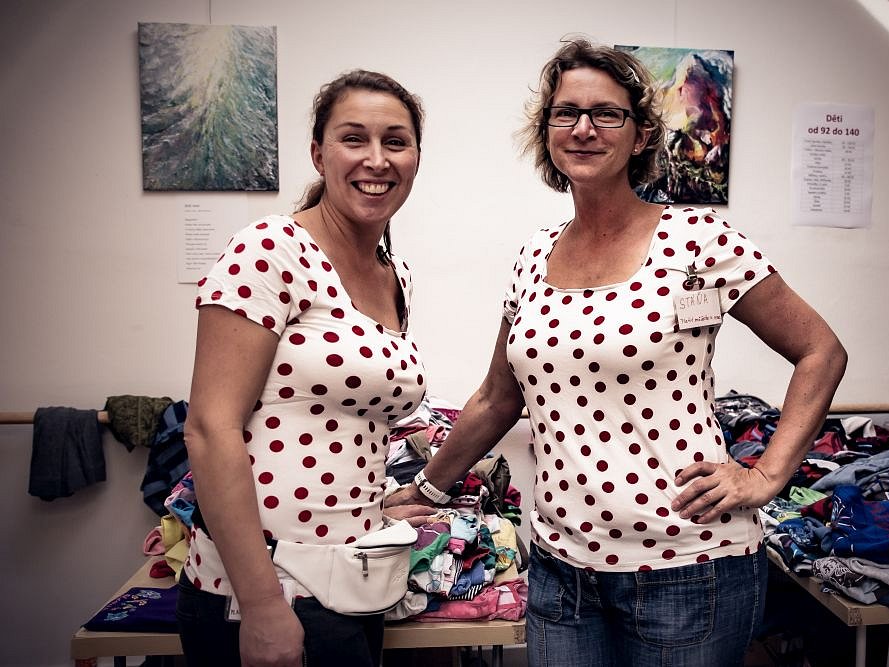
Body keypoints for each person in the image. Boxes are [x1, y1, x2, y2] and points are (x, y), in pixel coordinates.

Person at [387, 39, 848, 666]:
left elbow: (820, 350)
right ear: (547, 131)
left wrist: (766, 474)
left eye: (606, 113)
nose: (584, 129)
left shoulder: (698, 240)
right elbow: (498, 398)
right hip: (562, 568)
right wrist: (427, 489)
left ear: (640, 136)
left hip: (688, 566)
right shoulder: (535, 255)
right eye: (566, 113)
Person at [177, 70, 435, 667]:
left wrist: (369, 507)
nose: (377, 159)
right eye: (354, 138)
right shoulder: (270, 249)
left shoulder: (394, 275)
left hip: (352, 582)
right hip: (269, 593)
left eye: (396, 142)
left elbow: (341, 424)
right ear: (319, 153)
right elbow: (210, 429)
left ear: (416, 159)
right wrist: (262, 606)